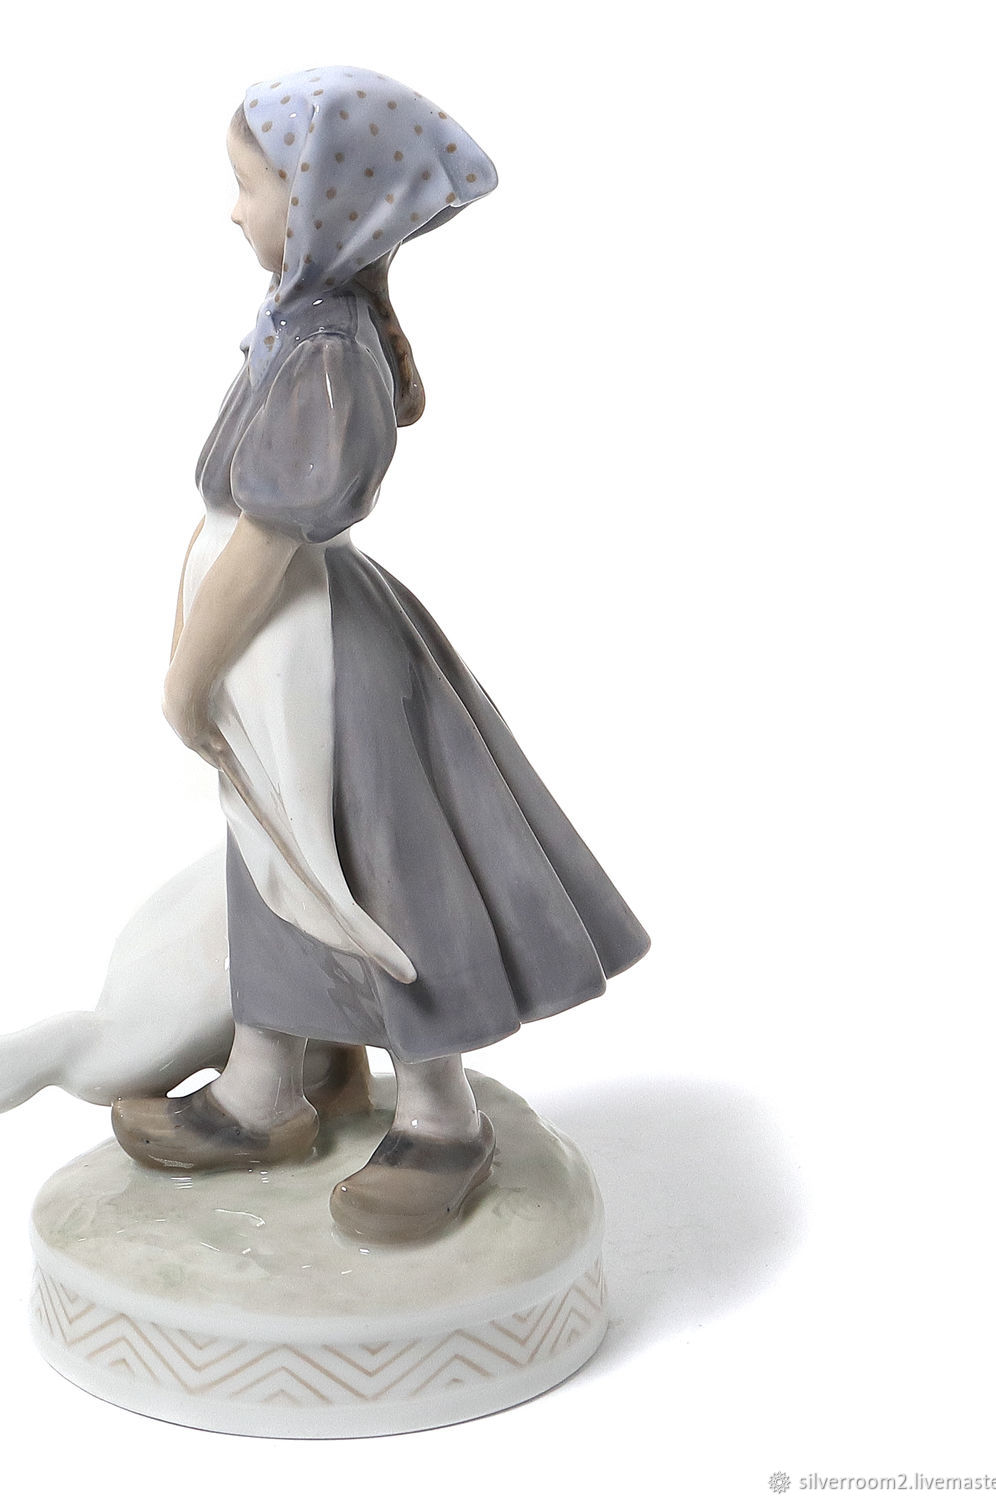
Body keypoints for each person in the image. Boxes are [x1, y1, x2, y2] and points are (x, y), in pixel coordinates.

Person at [111, 66, 650, 1242]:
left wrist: (188, 677)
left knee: (375, 870)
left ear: (318, 207)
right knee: (279, 863)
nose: (233, 210)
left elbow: (266, 537)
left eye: (251, 187)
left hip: (314, 660)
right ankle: (270, 1085)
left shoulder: (322, 352)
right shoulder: (300, 326)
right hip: (275, 653)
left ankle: (443, 1118)